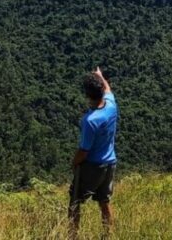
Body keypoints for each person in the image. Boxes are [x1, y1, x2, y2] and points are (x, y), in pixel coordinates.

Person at [69, 66, 118, 239]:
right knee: (104, 202)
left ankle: (72, 235)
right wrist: (100, 76)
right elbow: (108, 89)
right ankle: (108, 234)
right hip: (110, 163)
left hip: (93, 166)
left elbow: (84, 150)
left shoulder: (90, 121)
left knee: (75, 202)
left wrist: (74, 163)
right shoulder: (112, 105)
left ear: (87, 95)